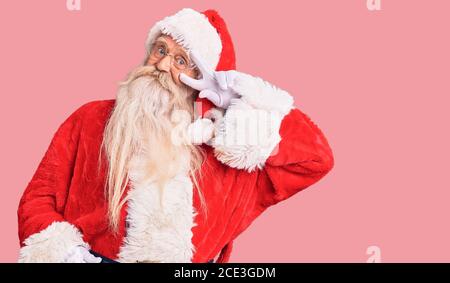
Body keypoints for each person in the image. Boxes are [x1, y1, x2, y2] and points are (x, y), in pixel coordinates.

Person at [17, 8, 334, 263]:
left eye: (181, 60)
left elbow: (316, 159)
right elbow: (38, 198)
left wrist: (241, 101)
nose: (163, 64)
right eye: (160, 49)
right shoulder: (89, 119)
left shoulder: (228, 151)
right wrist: (68, 255)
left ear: (204, 80)